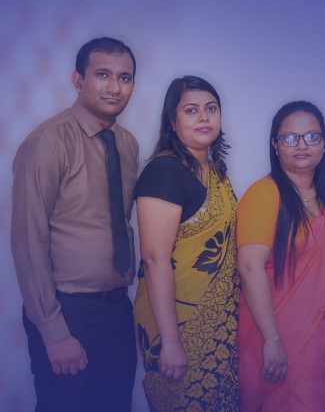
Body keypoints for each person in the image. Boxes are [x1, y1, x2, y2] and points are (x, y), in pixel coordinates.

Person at [10, 37, 138, 412]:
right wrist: (53, 331)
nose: (115, 87)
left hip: (117, 307)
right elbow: (28, 240)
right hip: (67, 311)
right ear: (78, 80)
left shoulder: (127, 144)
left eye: (125, 77)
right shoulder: (47, 142)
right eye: (102, 74)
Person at [237, 100, 325, 412]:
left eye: (312, 137)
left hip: (323, 337)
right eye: (290, 138)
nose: (302, 145)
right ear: (275, 145)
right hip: (275, 333)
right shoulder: (264, 194)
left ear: (324, 144)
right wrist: (272, 340)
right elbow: (249, 267)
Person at [133, 75, 240, 411]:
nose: (204, 117)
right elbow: (154, 259)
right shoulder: (164, 172)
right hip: (176, 324)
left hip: (218, 325)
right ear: (172, 120)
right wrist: (171, 342)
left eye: (211, 108)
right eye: (191, 110)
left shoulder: (214, 170)